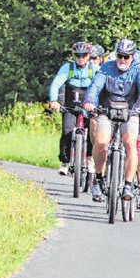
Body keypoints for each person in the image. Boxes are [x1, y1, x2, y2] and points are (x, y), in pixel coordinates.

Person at [84, 39, 140, 203]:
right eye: (120, 56)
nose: (122, 60)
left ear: (132, 57)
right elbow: (95, 87)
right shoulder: (106, 68)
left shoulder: (138, 69)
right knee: (101, 141)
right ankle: (98, 178)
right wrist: (89, 101)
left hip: (130, 112)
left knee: (130, 143)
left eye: (126, 56)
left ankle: (127, 185)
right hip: (107, 111)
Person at [47, 41, 100, 180]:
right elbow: (56, 84)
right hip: (71, 103)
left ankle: (89, 158)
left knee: (92, 133)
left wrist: (98, 104)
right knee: (67, 131)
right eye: (77, 55)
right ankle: (65, 162)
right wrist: (54, 101)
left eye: (83, 55)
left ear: (88, 55)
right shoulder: (68, 67)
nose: (80, 58)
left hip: (88, 104)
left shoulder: (94, 68)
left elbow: (100, 87)